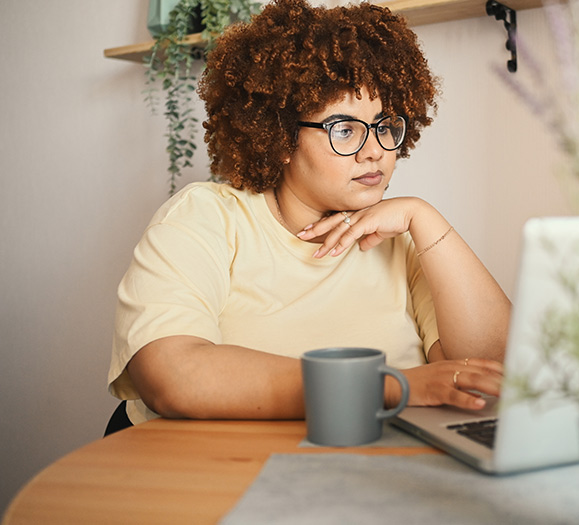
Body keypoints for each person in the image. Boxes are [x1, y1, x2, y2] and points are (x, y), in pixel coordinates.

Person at [107, 0, 511, 427]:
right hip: (221, 477)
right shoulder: (206, 218)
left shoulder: (404, 240)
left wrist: (426, 218)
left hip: (373, 473)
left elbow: (489, 373)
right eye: (345, 129)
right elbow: (173, 375)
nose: (375, 150)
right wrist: (392, 385)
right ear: (279, 136)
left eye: (386, 125)